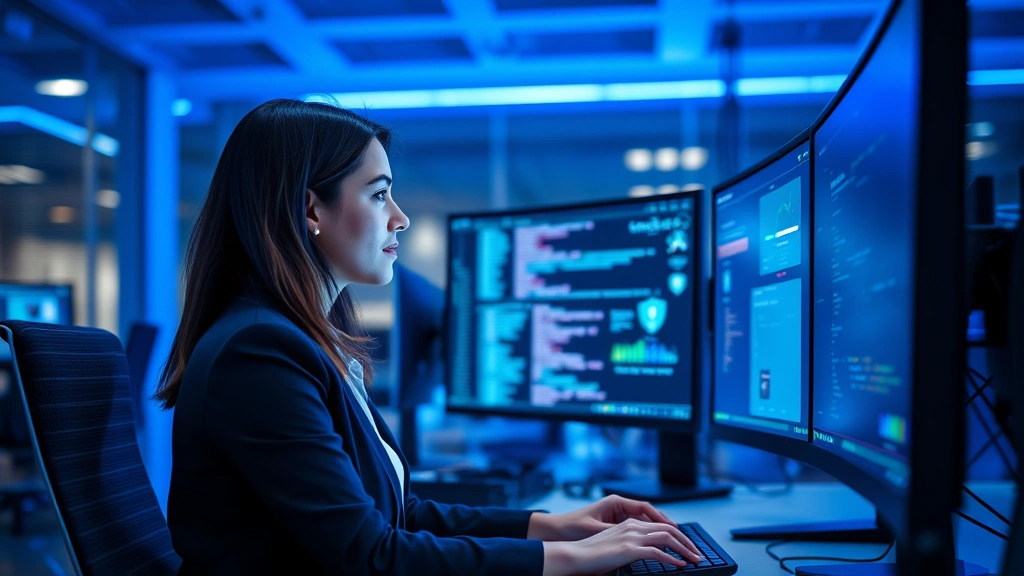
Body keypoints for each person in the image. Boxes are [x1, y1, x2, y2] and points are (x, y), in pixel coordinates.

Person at [155, 99, 703, 576]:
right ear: (312, 209)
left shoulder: (301, 339)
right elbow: (373, 558)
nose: (401, 218)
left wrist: (555, 526)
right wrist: (580, 559)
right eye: (378, 195)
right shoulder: (260, 353)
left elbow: (395, 512)